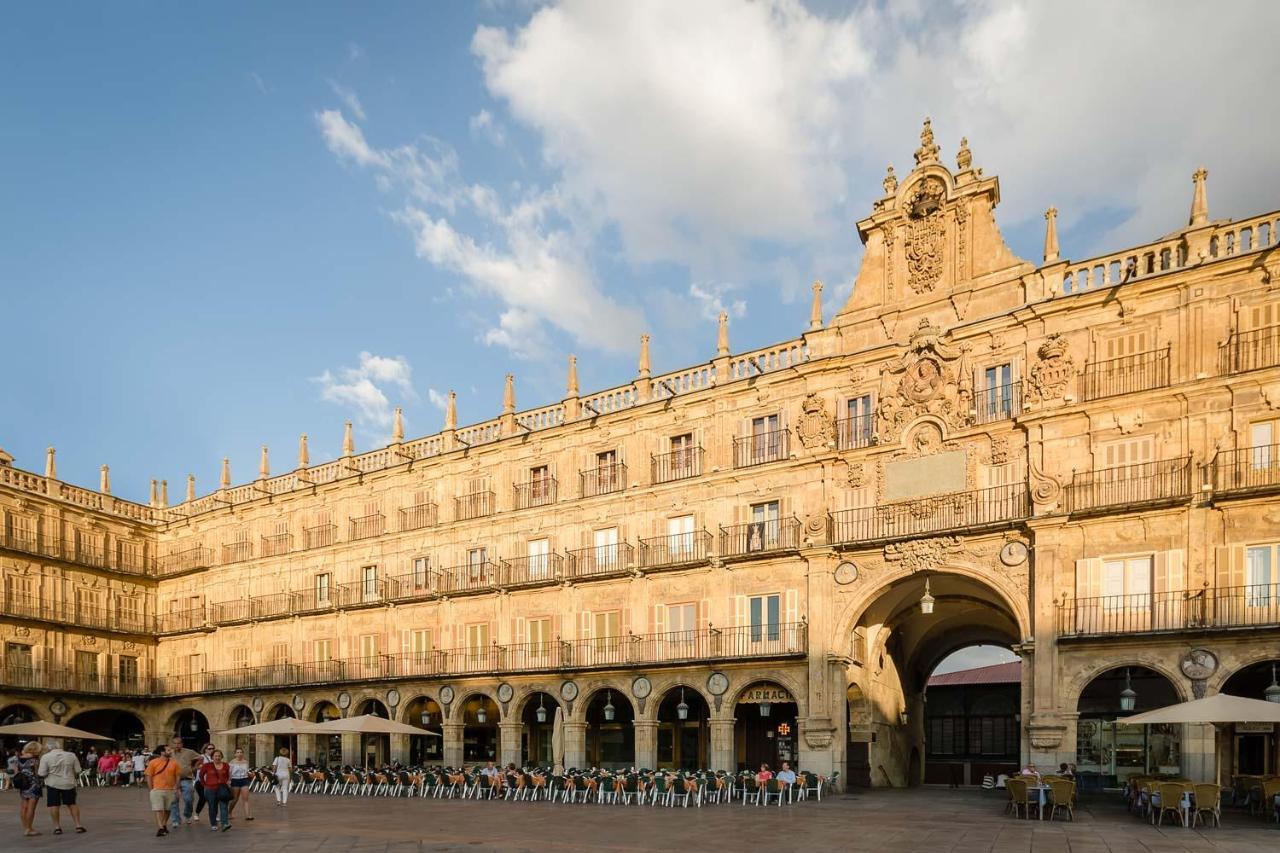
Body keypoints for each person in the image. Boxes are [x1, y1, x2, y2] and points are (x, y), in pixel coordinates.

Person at [37, 740, 85, 834]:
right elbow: (78, 770)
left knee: (54, 805)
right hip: (68, 782)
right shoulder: (71, 755)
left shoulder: (45, 757)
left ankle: (57, 827)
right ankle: (78, 825)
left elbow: (41, 773)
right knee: (72, 804)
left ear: (48, 748)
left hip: (52, 783)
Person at [144, 745, 180, 837]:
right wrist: (151, 789)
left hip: (170, 789)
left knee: (168, 809)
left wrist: (176, 787)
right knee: (158, 809)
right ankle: (160, 827)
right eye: (168, 750)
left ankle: (163, 825)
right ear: (162, 752)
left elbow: (177, 776)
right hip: (157, 789)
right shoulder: (153, 762)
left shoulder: (174, 763)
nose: (170, 751)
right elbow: (149, 776)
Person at [167, 737, 202, 828]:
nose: (177, 745)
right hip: (173, 780)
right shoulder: (169, 753)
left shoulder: (189, 752)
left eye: (178, 743)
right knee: (173, 801)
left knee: (188, 799)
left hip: (186, 779)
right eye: (175, 743)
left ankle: (187, 815)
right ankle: (176, 820)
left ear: (182, 744)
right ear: (172, 744)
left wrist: (194, 767)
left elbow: (201, 757)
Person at [13, 741, 44, 837]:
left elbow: (16, 773)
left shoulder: (17, 759)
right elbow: (38, 773)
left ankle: (26, 827)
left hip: (23, 785)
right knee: (31, 808)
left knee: (23, 807)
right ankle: (29, 829)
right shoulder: (35, 760)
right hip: (34, 785)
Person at [198, 750, 231, 832]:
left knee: (224, 806)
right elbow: (201, 775)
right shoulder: (207, 765)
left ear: (221, 757)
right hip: (210, 789)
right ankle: (213, 824)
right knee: (212, 807)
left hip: (222, 789)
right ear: (212, 757)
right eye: (215, 756)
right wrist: (205, 784)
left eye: (219, 756)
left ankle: (224, 824)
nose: (217, 757)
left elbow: (227, 776)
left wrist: (225, 782)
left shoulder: (226, 765)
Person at [227, 748, 253, 821]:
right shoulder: (232, 762)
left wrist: (250, 774)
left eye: (241, 752)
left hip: (244, 780)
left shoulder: (246, 762)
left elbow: (247, 771)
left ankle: (248, 815)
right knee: (235, 799)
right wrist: (229, 781)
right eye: (238, 752)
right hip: (235, 780)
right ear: (235, 754)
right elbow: (229, 773)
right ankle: (229, 812)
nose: (239, 754)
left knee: (246, 798)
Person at [192, 743, 215, 819]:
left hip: (211, 781)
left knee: (212, 798)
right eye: (209, 748)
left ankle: (213, 814)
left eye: (213, 748)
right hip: (200, 781)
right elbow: (194, 768)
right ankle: (197, 813)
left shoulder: (215, 757)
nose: (211, 750)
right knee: (203, 797)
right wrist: (200, 767)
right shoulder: (202, 757)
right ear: (205, 750)